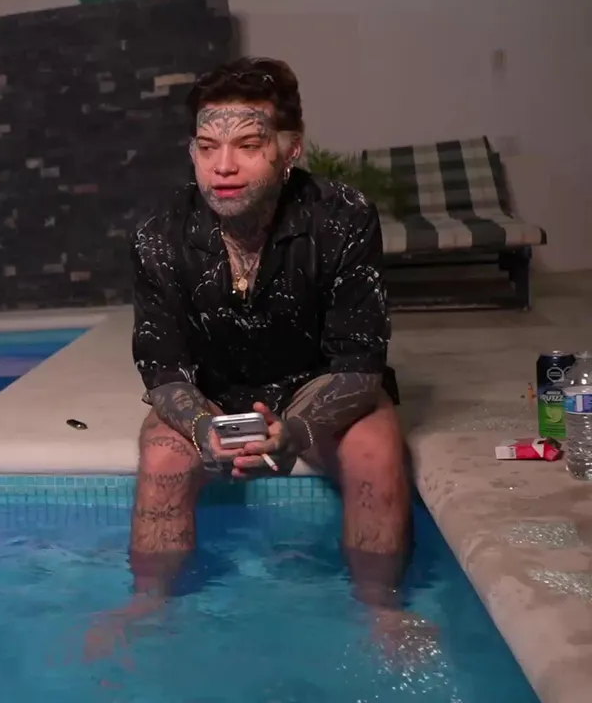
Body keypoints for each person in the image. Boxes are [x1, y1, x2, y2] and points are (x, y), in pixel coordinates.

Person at [86, 56, 436, 662]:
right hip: (213, 392)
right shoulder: (159, 235)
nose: (223, 166)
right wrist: (202, 426)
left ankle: (382, 608)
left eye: (248, 145)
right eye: (207, 148)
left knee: (376, 449)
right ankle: (149, 602)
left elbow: (359, 364)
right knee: (162, 454)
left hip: (318, 385)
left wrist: (295, 430)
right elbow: (163, 369)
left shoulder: (343, 218)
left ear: (289, 149)